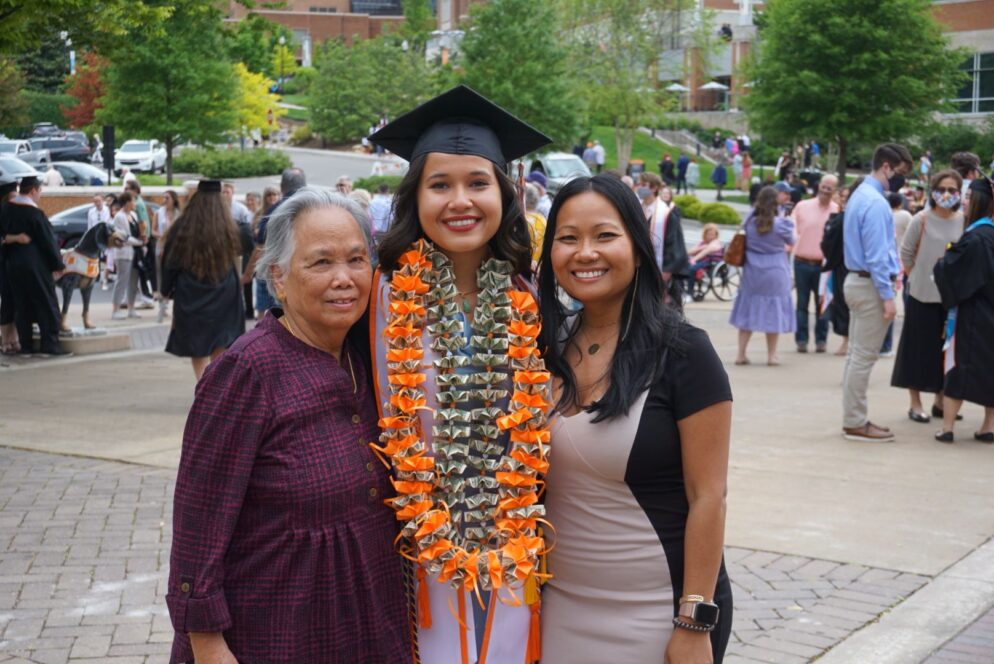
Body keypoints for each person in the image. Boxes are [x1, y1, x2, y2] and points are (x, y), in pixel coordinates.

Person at [166, 186, 411, 662]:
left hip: (369, 625)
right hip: (275, 629)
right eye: (320, 262)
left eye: (357, 260)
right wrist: (207, 644)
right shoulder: (247, 373)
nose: (344, 278)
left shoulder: (370, 360)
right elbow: (198, 524)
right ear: (278, 278)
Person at [369, 84, 552, 664]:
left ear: (505, 193)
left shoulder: (532, 298)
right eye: (439, 185)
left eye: (478, 183)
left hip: (513, 535)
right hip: (405, 546)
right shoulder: (380, 298)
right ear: (414, 196)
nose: (460, 201)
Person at [537, 173, 733, 664]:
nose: (585, 253)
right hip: (558, 609)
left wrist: (694, 621)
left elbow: (708, 496)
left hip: (658, 611)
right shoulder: (539, 346)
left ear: (638, 245)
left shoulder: (685, 352)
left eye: (605, 235)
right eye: (567, 238)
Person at [841, 143, 913, 442]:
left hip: (858, 281)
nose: (902, 180)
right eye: (901, 173)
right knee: (863, 357)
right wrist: (887, 297)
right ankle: (856, 421)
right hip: (870, 284)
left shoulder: (861, 196)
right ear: (887, 167)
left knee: (856, 355)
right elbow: (877, 255)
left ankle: (853, 418)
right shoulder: (875, 202)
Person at [891, 169, 964, 425]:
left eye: (952, 190)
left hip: (952, 299)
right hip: (922, 294)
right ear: (933, 191)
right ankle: (915, 402)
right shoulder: (920, 219)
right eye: (941, 189)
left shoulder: (964, 221)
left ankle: (941, 400)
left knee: (945, 353)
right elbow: (906, 253)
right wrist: (917, 276)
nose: (946, 194)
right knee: (918, 349)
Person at [160, 180, 245, 380]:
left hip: (191, 290)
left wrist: (165, 289)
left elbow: (169, 261)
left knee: (197, 345)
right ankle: (214, 388)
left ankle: (202, 385)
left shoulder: (183, 226)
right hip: (224, 290)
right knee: (221, 342)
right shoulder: (228, 225)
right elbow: (246, 244)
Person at [932, 176, 994, 443]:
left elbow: (953, 272)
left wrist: (942, 263)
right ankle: (988, 427)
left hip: (973, 314)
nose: (964, 202)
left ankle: (947, 427)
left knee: (957, 367)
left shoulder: (977, 237)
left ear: (980, 202)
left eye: (968, 198)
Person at [2, 176, 71, 357]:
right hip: (35, 264)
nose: (39, 195)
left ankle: (26, 346)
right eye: (39, 191)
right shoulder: (35, 214)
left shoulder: (6, 209)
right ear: (33, 190)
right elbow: (47, 242)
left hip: (12, 262)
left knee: (21, 304)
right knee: (46, 302)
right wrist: (58, 263)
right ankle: (50, 345)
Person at [730, 186, 796, 365]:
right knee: (774, 312)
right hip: (775, 269)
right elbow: (792, 241)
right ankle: (771, 355)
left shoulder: (751, 222)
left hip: (753, 270)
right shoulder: (781, 224)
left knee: (748, 309)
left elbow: (743, 226)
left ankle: (741, 353)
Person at [245, 168, 306, 318]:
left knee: (269, 316)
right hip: (307, 274)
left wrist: (247, 274)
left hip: (279, 275)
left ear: (282, 187)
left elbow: (260, 248)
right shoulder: (320, 208)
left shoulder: (274, 210)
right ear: (304, 184)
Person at [791, 174, 839, 353]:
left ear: (835, 190)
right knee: (802, 304)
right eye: (824, 186)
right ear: (819, 186)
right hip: (801, 262)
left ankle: (821, 340)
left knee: (823, 304)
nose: (826, 190)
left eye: (830, 187)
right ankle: (801, 340)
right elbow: (791, 231)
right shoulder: (802, 206)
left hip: (824, 266)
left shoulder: (836, 210)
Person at [110, 193, 144, 320]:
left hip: (135, 253)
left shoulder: (133, 215)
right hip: (123, 253)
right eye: (133, 200)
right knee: (122, 280)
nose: (135, 203)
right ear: (127, 202)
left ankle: (131, 308)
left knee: (134, 281)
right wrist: (139, 242)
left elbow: (137, 232)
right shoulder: (119, 217)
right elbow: (123, 237)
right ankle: (115, 310)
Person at [154, 190, 181, 323]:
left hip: (175, 248)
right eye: (163, 197)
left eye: (167, 197)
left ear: (173, 199)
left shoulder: (179, 214)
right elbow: (153, 230)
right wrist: (162, 236)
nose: (165, 199)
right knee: (161, 275)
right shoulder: (159, 213)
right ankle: (161, 305)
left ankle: (172, 303)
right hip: (162, 246)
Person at [686, 223, 724, 293]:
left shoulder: (716, 242)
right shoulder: (702, 242)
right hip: (701, 261)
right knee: (682, 267)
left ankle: (689, 293)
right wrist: (702, 247)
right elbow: (690, 252)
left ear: (716, 235)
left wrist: (693, 259)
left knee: (691, 269)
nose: (710, 236)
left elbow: (707, 251)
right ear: (705, 234)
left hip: (710, 263)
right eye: (708, 234)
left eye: (712, 235)